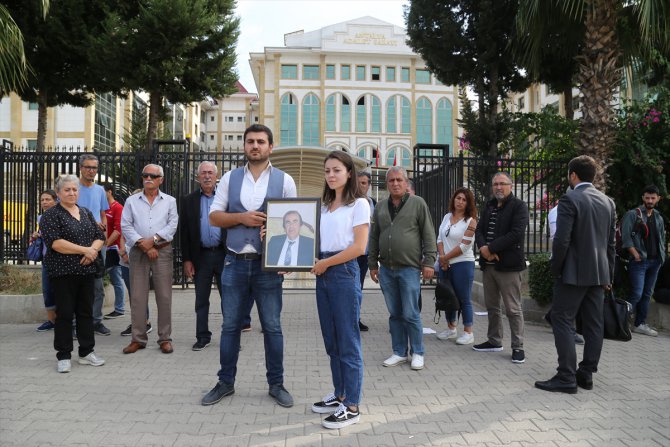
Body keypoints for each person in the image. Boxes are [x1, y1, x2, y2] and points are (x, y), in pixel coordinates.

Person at [201, 124, 297, 408]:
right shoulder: (230, 178)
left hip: (268, 266)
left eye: (261, 141)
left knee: (273, 326)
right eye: (251, 141)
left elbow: (294, 218)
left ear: (271, 146)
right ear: (244, 146)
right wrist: (241, 217)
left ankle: (276, 384)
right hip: (234, 262)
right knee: (230, 326)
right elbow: (215, 217)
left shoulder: (285, 180)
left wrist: (288, 254)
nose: (255, 146)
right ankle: (225, 382)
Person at [535, 155, 616, 393]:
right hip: (599, 274)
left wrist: (556, 268)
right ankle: (586, 373)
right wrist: (609, 275)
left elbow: (561, 240)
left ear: (573, 175)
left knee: (561, 319)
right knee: (593, 324)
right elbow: (611, 244)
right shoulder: (608, 202)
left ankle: (566, 376)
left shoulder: (570, 199)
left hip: (572, 273)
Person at [309, 151, 369, 429]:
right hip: (324, 273)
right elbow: (312, 243)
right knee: (331, 341)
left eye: (336, 170)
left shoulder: (359, 205)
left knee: (348, 341)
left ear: (348, 173)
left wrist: (325, 264)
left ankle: (353, 405)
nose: (331, 175)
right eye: (327, 171)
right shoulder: (323, 207)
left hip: (344, 272)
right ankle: (340, 393)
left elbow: (358, 248)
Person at [368, 166, 437, 371]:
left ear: (406, 183)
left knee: (411, 313)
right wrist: (372, 264)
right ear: (387, 184)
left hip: (409, 269)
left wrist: (429, 261)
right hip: (387, 269)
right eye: (391, 181)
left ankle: (418, 352)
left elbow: (428, 234)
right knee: (395, 313)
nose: (396, 184)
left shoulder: (418, 203)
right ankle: (399, 352)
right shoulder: (380, 206)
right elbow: (374, 236)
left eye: (399, 180)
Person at [39, 175, 106, 373]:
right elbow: (56, 243)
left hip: (86, 271)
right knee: (65, 314)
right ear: (58, 193)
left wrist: (92, 251)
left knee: (86, 313)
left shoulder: (84, 212)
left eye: (74, 189)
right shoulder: (52, 215)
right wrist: (85, 250)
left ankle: (86, 352)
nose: (72, 193)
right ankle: (64, 355)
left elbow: (99, 236)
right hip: (63, 273)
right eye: (67, 190)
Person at [120, 164, 178, 355]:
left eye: (153, 175)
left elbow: (172, 226)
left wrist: (152, 241)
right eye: (145, 175)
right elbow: (126, 226)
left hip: (162, 251)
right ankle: (138, 339)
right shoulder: (131, 201)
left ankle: (165, 338)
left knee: (164, 296)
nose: (148, 178)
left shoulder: (170, 201)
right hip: (138, 251)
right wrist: (142, 244)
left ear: (161, 179)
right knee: (137, 297)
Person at [474, 172, 529, 363]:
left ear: (510, 186)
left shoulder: (519, 206)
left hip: (508, 267)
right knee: (492, 306)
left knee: (513, 309)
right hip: (488, 266)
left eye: (502, 183)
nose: (498, 187)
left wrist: (491, 248)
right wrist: (483, 249)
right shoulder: (489, 205)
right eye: (495, 184)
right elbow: (479, 230)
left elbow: (516, 233)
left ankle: (518, 347)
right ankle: (494, 341)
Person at [180, 161, 227, 351]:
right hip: (201, 257)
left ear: (217, 176)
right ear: (198, 177)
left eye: (210, 173)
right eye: (203, 173)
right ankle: (202, 336)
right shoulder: (188, 200)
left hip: (225, 255)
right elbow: (184, 232)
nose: (207, 176)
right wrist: (187, 260)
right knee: (201, 300)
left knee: (230, 299)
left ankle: (230, 337)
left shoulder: (227, 199)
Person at [621, 185, 666, 337]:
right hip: (639, 262)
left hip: (655, 262)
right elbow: (626, 238)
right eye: (647, 197)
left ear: (658, 199)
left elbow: (661, 238)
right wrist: (635, 254)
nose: (650, 200)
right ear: (643, 198)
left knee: (647, 294)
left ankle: (640, 324)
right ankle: (622, 323)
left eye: (653, 198)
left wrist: (661, 257)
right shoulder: (633, 214)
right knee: (636, 294)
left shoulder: (658, 216)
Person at [435, 187, 477, 345]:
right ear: (453, 199)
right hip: (445, 263)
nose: (460, 202)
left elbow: (465, 245)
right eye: (458, 198)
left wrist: (445, 258)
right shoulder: (447, 216)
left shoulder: (470, 221)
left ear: (468, 203)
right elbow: (439, 238)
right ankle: (451, 329)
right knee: (448, 296)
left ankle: (468, 332)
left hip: (462, 264)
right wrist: (441, 258)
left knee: (463, 298)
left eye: (464, 200)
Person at [77, 154, 110, 336]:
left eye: (95, 168)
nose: (92, 171)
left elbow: (103, 214)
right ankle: (76, 324)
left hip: (97, 243)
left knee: (98, 284)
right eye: (88, 167)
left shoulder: (100, 190)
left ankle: (96, 321)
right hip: (77, 243)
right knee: (76, 284)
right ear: (81, 168)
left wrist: (103, 232)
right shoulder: (73, 189)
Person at [546, 194, 585, 345]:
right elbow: (558, 238)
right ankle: (568, 329)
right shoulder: (558, 211)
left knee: (569, 298)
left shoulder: (578, 208)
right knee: (568, 299)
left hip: (578, 261)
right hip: (567, 261)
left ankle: (553, 317)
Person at [32, 190, 58, 332]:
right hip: (46, 259)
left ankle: (64, 320)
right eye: (42, 200)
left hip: (61, 259)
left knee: (61, 290)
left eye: (48, 199)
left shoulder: (62, 215)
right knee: (47, 290)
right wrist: (37, 235)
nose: (44, 202)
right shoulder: (40, 218)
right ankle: (51, 321)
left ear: (55, 200)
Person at [355, 171, 376, 332]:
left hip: (366, 253)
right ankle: (349, 318)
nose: (361, 185)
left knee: (359, 287)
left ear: (369, 185)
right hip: (351, 252)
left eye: (364, 183)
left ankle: (356, 318)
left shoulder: (372, 203)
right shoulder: (350, 202)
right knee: (351, 288)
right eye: (359, 182)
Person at [102, 184, 126, 320]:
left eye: (102, 191)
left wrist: (106, 244)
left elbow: (118, 230)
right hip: (104, 247)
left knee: (116, 278)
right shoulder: (103, 208)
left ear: (109, 192)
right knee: (113, 277)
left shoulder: (118, 208)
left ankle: (120, 308)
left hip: (113, 248)